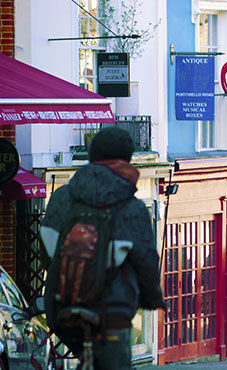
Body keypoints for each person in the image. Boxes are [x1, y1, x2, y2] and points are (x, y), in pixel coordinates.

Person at [40, 127, 165, 369]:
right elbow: (146, 261)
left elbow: (47, 250)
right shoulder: (132, 207)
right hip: (112, 312)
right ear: (127, 158)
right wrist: (152, 297)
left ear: (92, 156)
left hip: (61, 308)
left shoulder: (61, 197)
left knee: (83, 354)